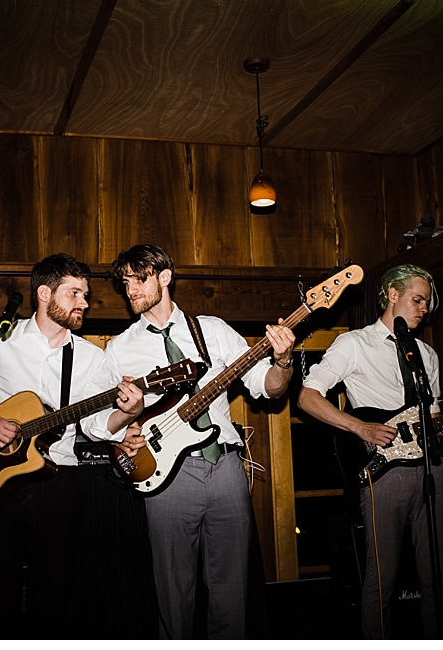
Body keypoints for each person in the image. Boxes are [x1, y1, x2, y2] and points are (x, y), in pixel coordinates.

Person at [0, 253, 143, 638]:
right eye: (75, 293)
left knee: (53, 602)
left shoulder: (91, 358)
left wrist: (126, 413)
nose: (85, 303)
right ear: (44, 293)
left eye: (86, 295)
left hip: (59, 484)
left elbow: (94, 426)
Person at [87, 243, 296, 640]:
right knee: (173, 589)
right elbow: (98, 420)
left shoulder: (212, 330)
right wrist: (123, 428)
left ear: (165, 277)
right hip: (166, 477)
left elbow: (267, 387)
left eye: (139, 278)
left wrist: (283, 361)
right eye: (125, 281)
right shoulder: (120, 348)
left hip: (226, 469)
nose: (130, 289)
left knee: (232, 588)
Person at [297, 264, 443, 640]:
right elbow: (308, 397)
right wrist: (359, 427)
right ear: (392, 294)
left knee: (437, 575)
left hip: (433, 468)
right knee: (383, 578)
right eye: (417, 299)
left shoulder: (426, 353)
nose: (424, 308)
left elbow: (435, 420)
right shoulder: (354, 344)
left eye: (427, 302)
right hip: (384, 473)